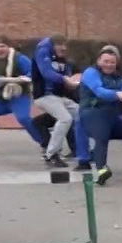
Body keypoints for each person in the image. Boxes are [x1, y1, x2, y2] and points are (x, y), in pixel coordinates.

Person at [78, 45, 122, 186]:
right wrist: (116, 94)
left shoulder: (119, 78)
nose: (109, 65)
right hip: (92, 114)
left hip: (112, 117)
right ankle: (100, 170)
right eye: (106, 61)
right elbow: (99, 91)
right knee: (102, 135)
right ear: (98, 60)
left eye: (112, 62)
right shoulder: (90, 73)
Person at [0, 38, 45, 156]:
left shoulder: (19, 59)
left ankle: (45, 143)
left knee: (23, 118)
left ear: (9, 47)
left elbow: (32, 73)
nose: (0, 50)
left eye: (3, 46)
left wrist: (21, 79)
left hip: (18, 96)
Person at [30, 34, 85, 169]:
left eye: (65, 46)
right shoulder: (43, 53)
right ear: (53, 46)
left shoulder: (64, 60)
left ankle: (83, 150)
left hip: (59, 97)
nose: (63, 48)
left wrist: (73, 81)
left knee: (80, 112)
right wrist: (64, 80)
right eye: (59, 46)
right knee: (65, 118)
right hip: (44, 96)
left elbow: (69, 75)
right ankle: (52, 154)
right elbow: (46, 73)